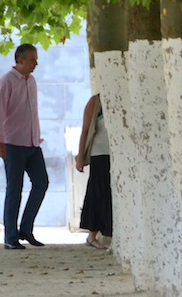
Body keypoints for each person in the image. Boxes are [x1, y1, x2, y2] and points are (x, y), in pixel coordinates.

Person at [0, 43, 49, 250]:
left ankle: (26, 228)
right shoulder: (6, 81)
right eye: (33, 59)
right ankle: (10, 237)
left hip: (33, 142)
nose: (36, 63)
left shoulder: (31, 81)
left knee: (41, 183)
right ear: (20, 60)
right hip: (13, 143)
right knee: (14, 190)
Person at [75, 93, 112, 250]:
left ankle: (108, 232)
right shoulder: (95, 102)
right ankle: (92, 235)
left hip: (115, 154)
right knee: (98, 192)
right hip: (99, 153)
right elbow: (85, 130)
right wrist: (80, 157)